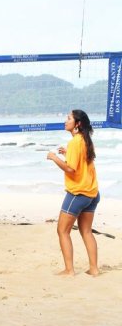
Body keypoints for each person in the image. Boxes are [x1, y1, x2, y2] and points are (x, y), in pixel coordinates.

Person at [47, 109, 100, 276]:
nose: (65, 120)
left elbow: (71, 169)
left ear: (77, 124)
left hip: (78, 193)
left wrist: (55, 158)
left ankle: (69, 270)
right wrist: (67, 153)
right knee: (86, 231)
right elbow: (81, 161)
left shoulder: (75, 142)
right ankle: (94, 269)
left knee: (62, 231)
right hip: (92, 193)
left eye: (68, 118)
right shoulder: (85, 140)